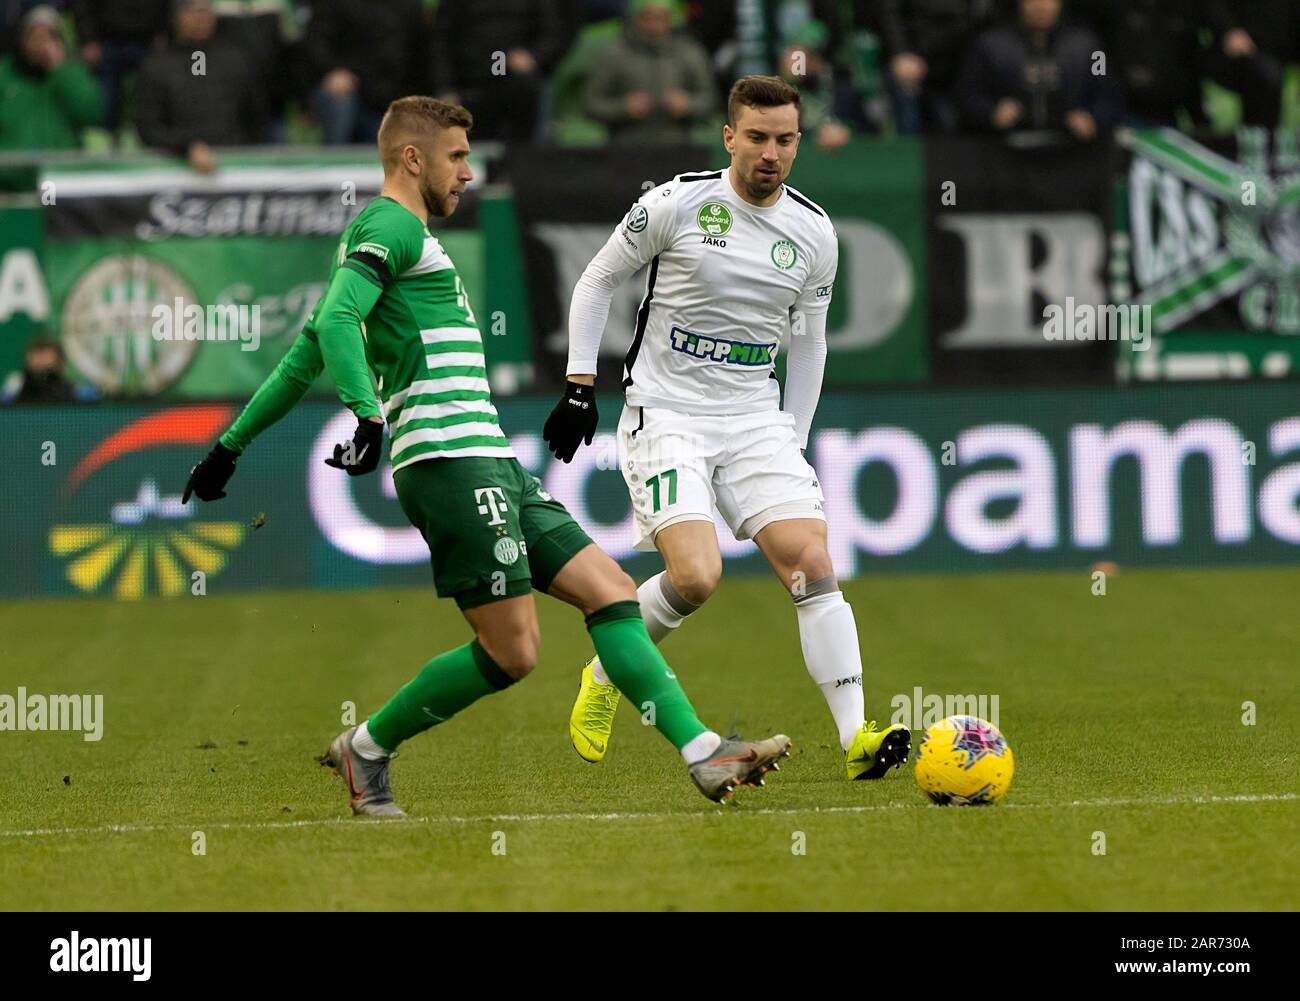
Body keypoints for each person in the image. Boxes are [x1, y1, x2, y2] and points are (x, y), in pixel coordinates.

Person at [180, 96, 791, 814]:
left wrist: (229, 446)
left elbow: (304, 354)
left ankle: (702, 752)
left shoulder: (388, 242)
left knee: (612, 591)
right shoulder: (389, 225)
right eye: (458, 156)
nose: (467, 172)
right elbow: (340, 322)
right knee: (514, 652)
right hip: (448, 461)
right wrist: (368, 414)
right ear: (413, 158)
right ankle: (367, 749)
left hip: (490, 459)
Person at [545, 75, 910, 781]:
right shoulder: (675, 203)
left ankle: (856, 737)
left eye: (784, 140)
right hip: (668, 409)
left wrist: (792, 441)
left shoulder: (814, 232)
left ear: (797, 143)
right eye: (757, 137)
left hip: (752, 415)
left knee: (812, 562)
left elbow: (809, 342)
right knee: (696, 574)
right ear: (729, 137)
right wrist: (580, 384)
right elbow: (597, 280)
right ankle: (604, 672)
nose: (770, 153)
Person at [957, 0, 1121, 139]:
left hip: (1073, 148)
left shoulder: (1090, 47)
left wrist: (1094, 118)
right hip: (1005, 148)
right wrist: (991, 112)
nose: (1041, 6)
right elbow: (967, 95)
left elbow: (1109, 93)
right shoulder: (989, 46)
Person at [134, 0, 264, 172]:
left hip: (235, 167)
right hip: (174, 171)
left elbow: (257, 117)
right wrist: (187, 148)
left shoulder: (236, 61)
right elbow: (148, 129)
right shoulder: (155, 67)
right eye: (191, 11)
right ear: (176, 17)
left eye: (205, 11)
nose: (200, 18)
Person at [582, 0, 715, 145]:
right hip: (626, 148)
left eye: (660, 18)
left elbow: (710, 99)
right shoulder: (614, 55)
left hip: (677, 147)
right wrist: (623, 108)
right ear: (635, 18)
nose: (653, 25)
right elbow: (591, 104)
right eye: (647, 17)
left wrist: (687, 105)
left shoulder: (690, 53)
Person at [0, 4, 101, 150]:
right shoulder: (5, 74)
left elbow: (91, 114)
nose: (41, 45)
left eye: (49, 37)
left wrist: (61, 71)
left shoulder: (72, 73)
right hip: (10, 168)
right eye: (35, 36)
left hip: (60, 169)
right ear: (22, 40)